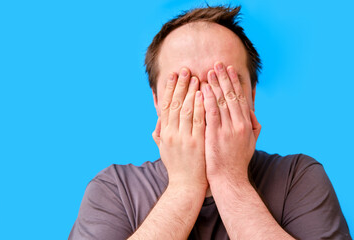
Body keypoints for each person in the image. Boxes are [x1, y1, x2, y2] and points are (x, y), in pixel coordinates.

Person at [69, 6, 351, 239]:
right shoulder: (114, 189)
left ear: (251, 95)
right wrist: (184, 187)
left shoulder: (298, 178)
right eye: (184, 84)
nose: (205, 101)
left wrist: (230, 182)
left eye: (223, 82)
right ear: (157, 100)